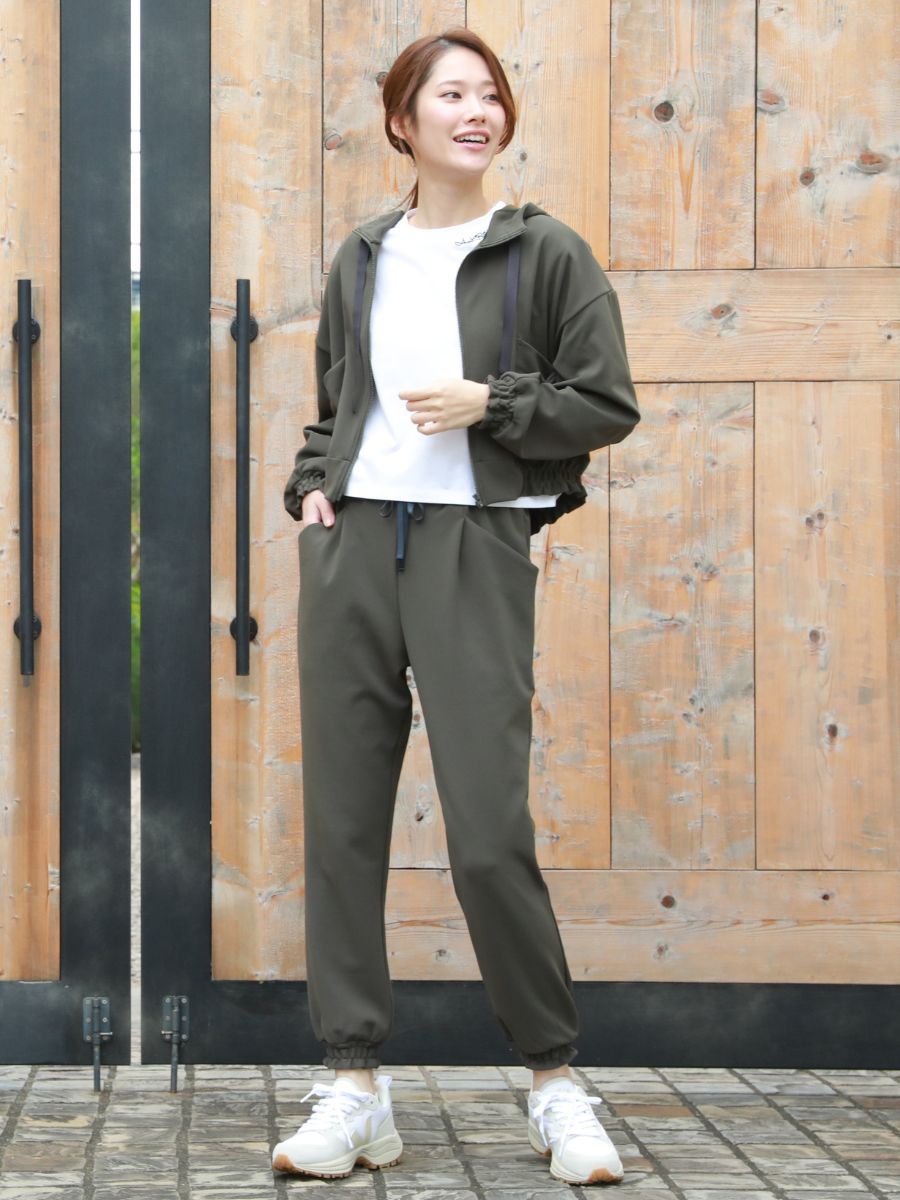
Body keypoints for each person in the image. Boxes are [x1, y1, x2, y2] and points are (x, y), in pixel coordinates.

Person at [272, 26, 640, 1187]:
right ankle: (353, 1086)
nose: (476, 112)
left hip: (474, 545)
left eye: (490, 95)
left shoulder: (545, 251)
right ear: (403, 122)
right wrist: (311, 486)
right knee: (342, 826)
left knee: (486, 833)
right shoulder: (365, 254)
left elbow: (606, 402)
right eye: (451, 95)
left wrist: (494, 402)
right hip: (353, 545)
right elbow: (339, 399)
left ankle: (554, 1081)